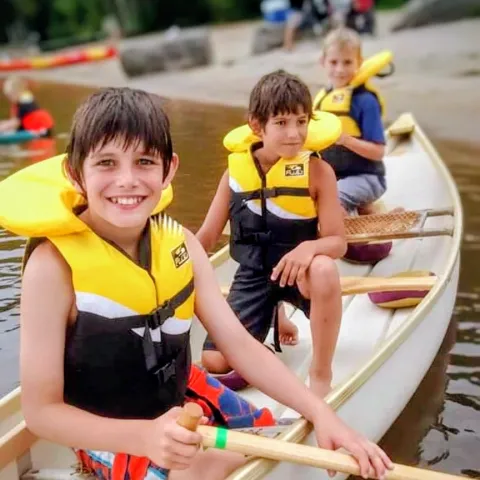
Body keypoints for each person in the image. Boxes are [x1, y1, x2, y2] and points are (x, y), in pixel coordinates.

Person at [0, 87, 393, 480]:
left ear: (168, 169)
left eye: (144, 162)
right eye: (106, 162)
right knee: (204, 469)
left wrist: (321, 412)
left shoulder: (181, 244)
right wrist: (146, 437)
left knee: (285, 434)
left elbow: (238, 344)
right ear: (75, 172)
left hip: (183, 393)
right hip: (109, 431)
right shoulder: (52, 267)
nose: (127, 181)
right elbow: (41, 412)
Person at [197, 69, 348, 401]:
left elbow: (338, 241)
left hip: (301, 275)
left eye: (301, 121)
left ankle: (321, 373)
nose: (294, 134)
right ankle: (272, 316)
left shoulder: (318, 171)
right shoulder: (234, 173)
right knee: (215, 361)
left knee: (324, 269)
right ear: (256, 125)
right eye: (281, 123)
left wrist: (308, 249)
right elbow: (206, 237)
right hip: (254, 273)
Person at [313, 27, 386, 215]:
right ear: (323, 62)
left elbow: (378, 152)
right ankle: (368, 211)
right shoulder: (322, 98)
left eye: (347, 62)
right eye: (334, 62)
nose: (340, 69)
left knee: (332, 200)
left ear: (359, 62)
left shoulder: (365, 101)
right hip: (333, 178)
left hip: (367, 177)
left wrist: (345, 140)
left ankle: (356, 241)